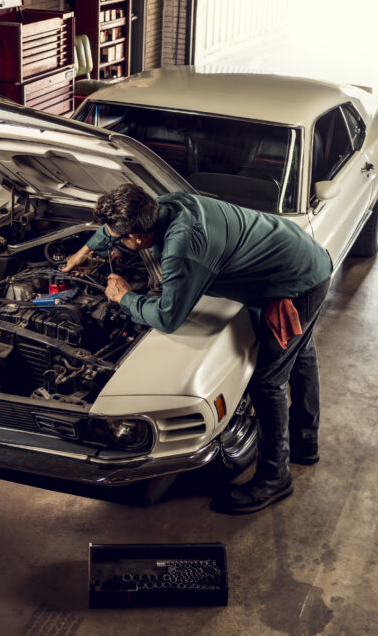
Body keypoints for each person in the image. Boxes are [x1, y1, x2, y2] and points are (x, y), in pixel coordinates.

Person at [62, 184, 332, 514]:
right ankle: (306, 444)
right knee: (301, 354)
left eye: (116, 239)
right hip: (300, 257)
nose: (112, 242)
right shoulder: (163, 206)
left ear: (136, 238)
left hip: (297, 282)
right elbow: (116, 233)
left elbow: (168, 316)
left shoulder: (182, 248)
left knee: (267, 382)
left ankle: (275, 477)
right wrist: (87, 250)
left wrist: (124, 298)